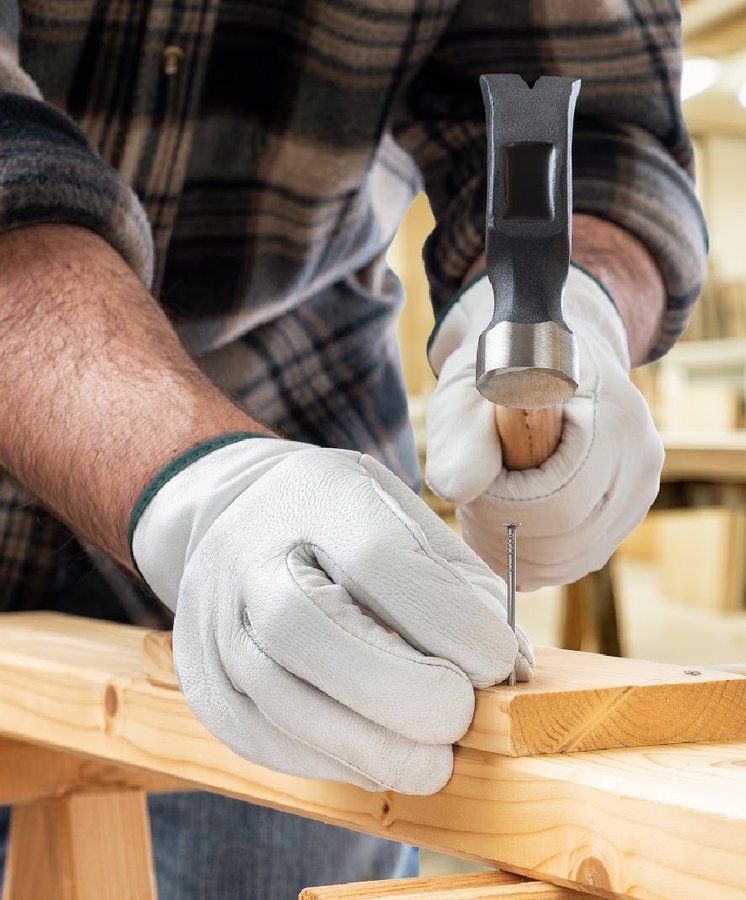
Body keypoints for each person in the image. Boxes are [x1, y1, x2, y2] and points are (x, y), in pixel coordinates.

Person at [0, 1, 705, 895]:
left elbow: (600, 130)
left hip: (301, 518)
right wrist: (192, 478)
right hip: (214, 471)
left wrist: (580, 312)